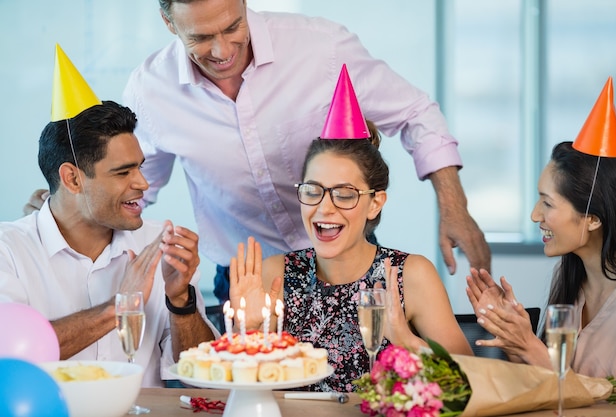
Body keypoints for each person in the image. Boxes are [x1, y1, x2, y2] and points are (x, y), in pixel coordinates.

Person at [25, 0, 491, 303]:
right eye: (201, 38)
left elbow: (414, 112)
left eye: (232, 27)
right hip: (244, 281)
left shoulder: (320, 47)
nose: (223, 49)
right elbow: (135, 187)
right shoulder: (152, 89)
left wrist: (455, 207)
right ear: (168, 21)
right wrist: (64, 214)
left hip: (344, 265)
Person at [229, 68, 473, 392]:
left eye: (344, 194)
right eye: (313, 191)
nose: (324, 208)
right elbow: (242, 393)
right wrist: (250, 335)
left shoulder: (410, 276)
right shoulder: (272, 276)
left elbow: (467, 382)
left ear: (375, 203)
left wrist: (404, 339)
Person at [0, 46, 218, 387]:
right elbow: (12, 357)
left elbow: (202, 377)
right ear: (72, 178)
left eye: (140, 167)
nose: (143, 183)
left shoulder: (159, 243)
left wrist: (181, 301)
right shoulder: (9, 251)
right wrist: (121, 306)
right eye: (122, 172)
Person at [465, 78, 616, 384]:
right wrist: (511, 333)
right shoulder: (569, 280)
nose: (535, 214)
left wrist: (529, 344)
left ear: (592, 219)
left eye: (548, 203)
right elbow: (545, 385)